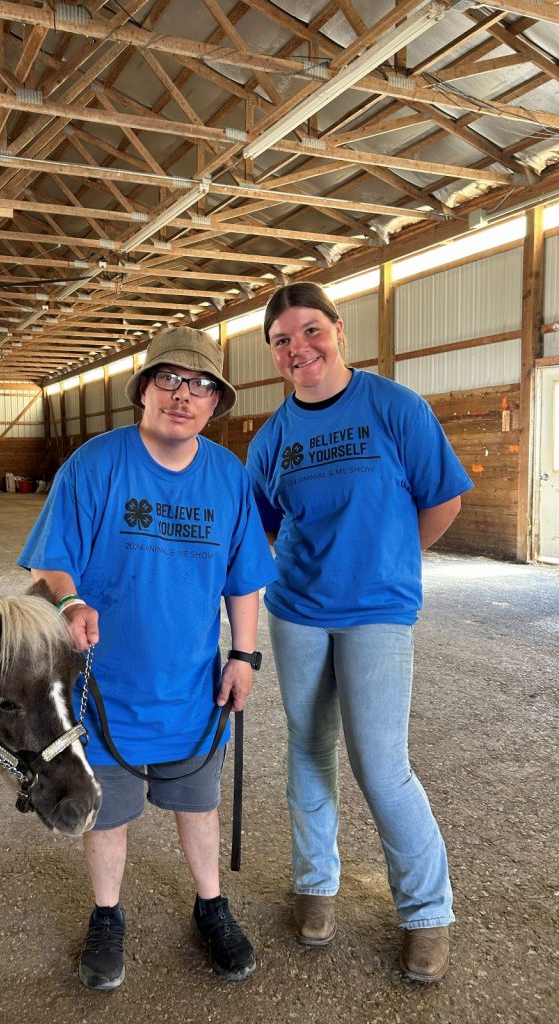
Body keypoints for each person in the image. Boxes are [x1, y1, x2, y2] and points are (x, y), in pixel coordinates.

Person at [19, 326, 276, 990]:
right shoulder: (94, 464)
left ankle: (210, 905)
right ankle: (107, 915)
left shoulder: (227, 477)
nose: (183, 396)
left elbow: (244, 577)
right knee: (106, 811)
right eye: (168, 380)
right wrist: (71, 601)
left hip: (192, 685)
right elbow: (52, 558)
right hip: (104, 688)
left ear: (216, 403)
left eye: (200, 386)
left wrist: (243, 655)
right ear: (142, 390)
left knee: (199, 803)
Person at [246, 282, 473, 984]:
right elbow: (260, 533)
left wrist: (390, 565)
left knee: (380, 764)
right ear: (274, 355)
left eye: (310, 331)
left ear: (339, 331)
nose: (298, 348)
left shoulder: (395, 408)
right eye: (282, 340)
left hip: (377, 612)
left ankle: (428, 911)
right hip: (298, 611)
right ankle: (316, 885)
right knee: (308, 749)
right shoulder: (272, 437)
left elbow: (442, 500)